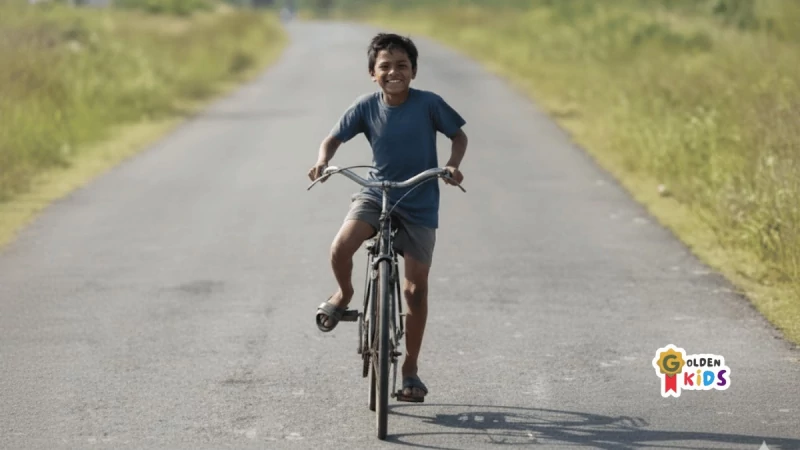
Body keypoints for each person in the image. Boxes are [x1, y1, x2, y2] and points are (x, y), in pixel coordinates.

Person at [307, 32, 468, 402]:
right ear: (372, 73)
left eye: (402, 66)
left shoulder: (429, 104)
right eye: (385, 66)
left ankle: (410, 368)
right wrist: (322, 160)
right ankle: (345, 293)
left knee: (416, 289)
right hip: (376, 192)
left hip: (419, 195)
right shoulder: (365, 106)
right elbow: (332, 139)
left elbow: (459, 138)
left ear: (413, 71)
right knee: (340, 248)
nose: (393, 72)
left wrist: (452, 166)